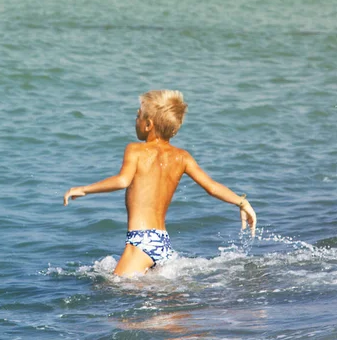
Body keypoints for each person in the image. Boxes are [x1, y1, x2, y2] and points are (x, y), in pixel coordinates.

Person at [63, 90, 257, 277]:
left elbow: (122, 180)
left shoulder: (135, 150)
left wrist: (83, 189)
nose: (135, 120)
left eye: (138, 116)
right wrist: (242, 202)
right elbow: (212, 187)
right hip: (162, 243)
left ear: (148, 125)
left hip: (140, 242)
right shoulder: (182, 157)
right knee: (158, 303)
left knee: (111, 291)